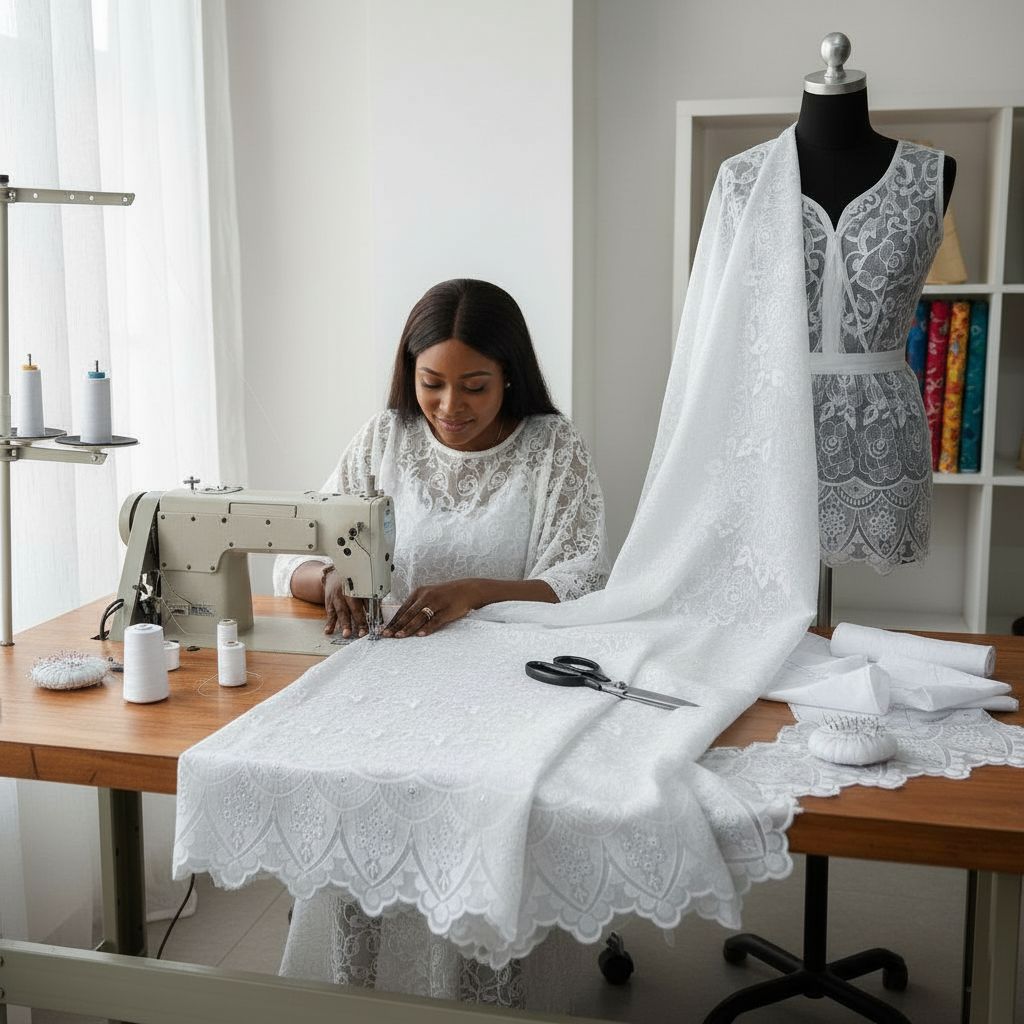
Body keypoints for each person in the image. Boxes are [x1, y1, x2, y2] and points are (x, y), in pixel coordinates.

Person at [273, 277, 609, 1005]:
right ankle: (356, 994)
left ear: (510, 375)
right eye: (432, 384)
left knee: (471, 826)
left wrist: (479, 590)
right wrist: (326, 576)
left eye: (475, 386)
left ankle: (477, 999)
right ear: (410, 373)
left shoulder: (551, 449)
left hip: (505, 689)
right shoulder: (384, 439)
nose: (450, 408)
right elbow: (289, 554)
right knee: (360, 808)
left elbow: (584, 580)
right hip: (389, 685)